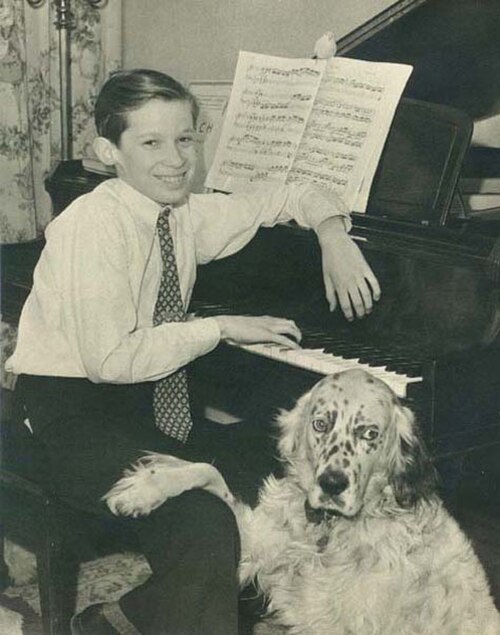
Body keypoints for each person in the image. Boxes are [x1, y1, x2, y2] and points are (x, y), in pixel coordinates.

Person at [5, 68, 380, 634]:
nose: (176, 159)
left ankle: (123, 620)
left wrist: (332, 232)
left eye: (185, 139)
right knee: (203, 523)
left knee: (282, 482)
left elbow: (280, 193)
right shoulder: (92, 224)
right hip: (67, 417)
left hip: (140, 407)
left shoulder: (181, 212)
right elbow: (109, 361)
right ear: (108, 151)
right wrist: (222, 326)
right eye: (151, 143)